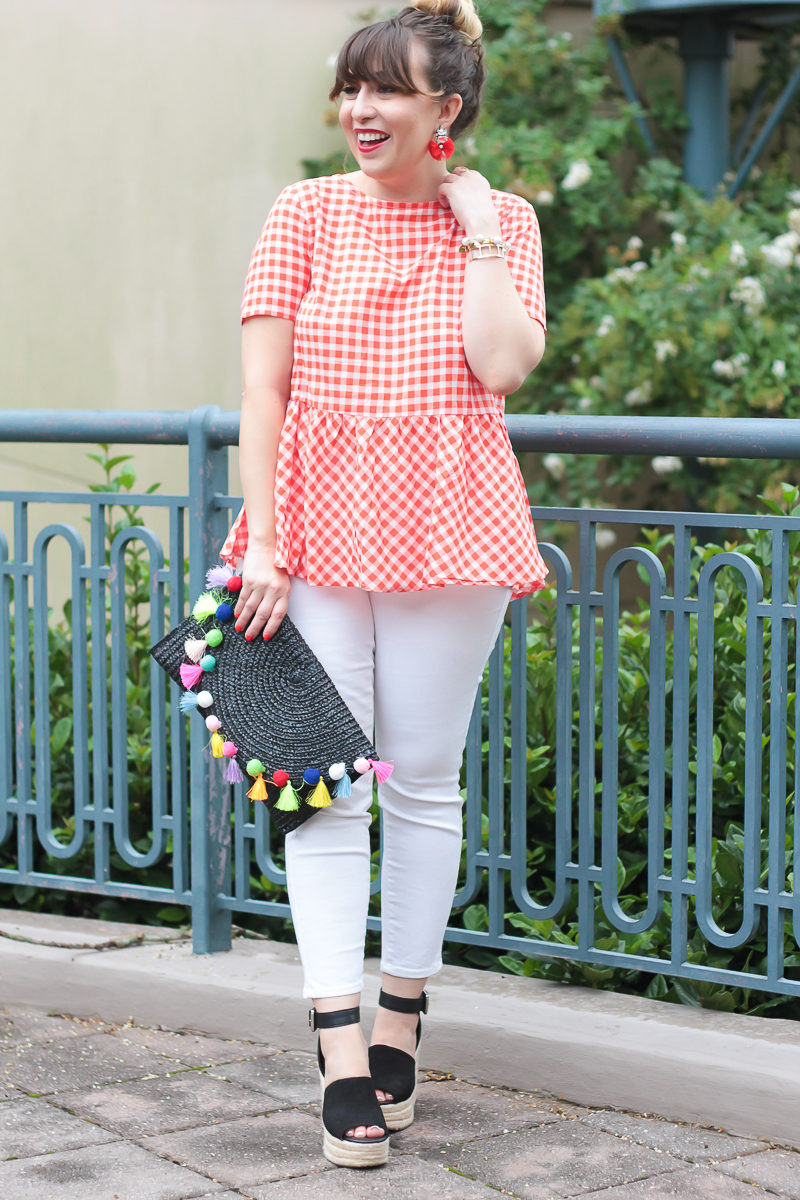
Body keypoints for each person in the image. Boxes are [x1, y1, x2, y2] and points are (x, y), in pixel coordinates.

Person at [221, 0, 547, 1169]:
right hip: (308, 525)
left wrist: (479, 234)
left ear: (443, 109)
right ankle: (339, 1049)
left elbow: (502, 369)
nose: (359, 110)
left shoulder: (497, 216)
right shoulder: (301, 211)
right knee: (323, 786)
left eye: (387, 90)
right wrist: (261, 541)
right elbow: (262, 392)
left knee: (419, 782)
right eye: (351, 87)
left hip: (450, 521)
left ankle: (402, 1010)